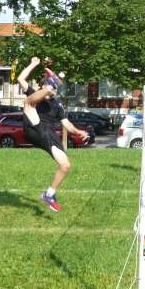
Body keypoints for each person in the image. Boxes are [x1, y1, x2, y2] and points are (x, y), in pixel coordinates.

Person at [17, 57, 89, 212]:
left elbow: (67, 124)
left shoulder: (57, 105)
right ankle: (50, 82)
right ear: (43, 85)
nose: (52, 91)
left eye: (53, 88)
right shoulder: (34, 93)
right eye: (49, 86)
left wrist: (79, 132)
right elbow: (20, 78)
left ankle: (49, 194)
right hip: (32, 126)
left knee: (65, 166)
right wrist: (33, 64)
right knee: (29, 102)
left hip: (46, 134)